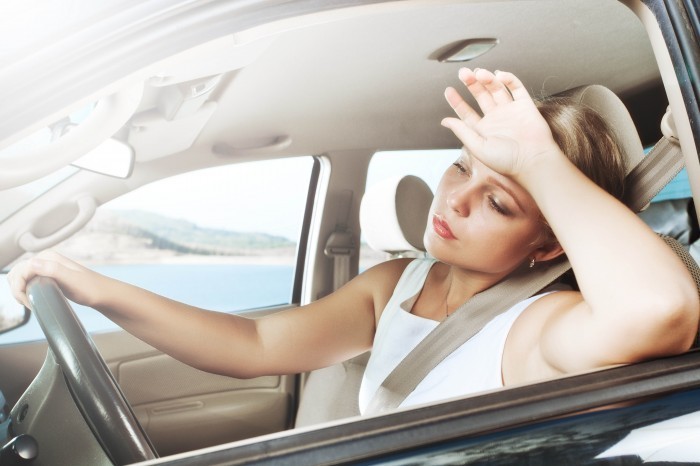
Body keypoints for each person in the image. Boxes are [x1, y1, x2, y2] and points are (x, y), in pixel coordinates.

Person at [8, 69, 700, 413]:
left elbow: (660, 312)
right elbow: (255, 348)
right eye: (460, 166)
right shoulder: (397, 284)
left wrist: (542, 165)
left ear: (547, 246)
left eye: (497, 199)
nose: (454, 197)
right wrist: (93, 287)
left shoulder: (540, 326)